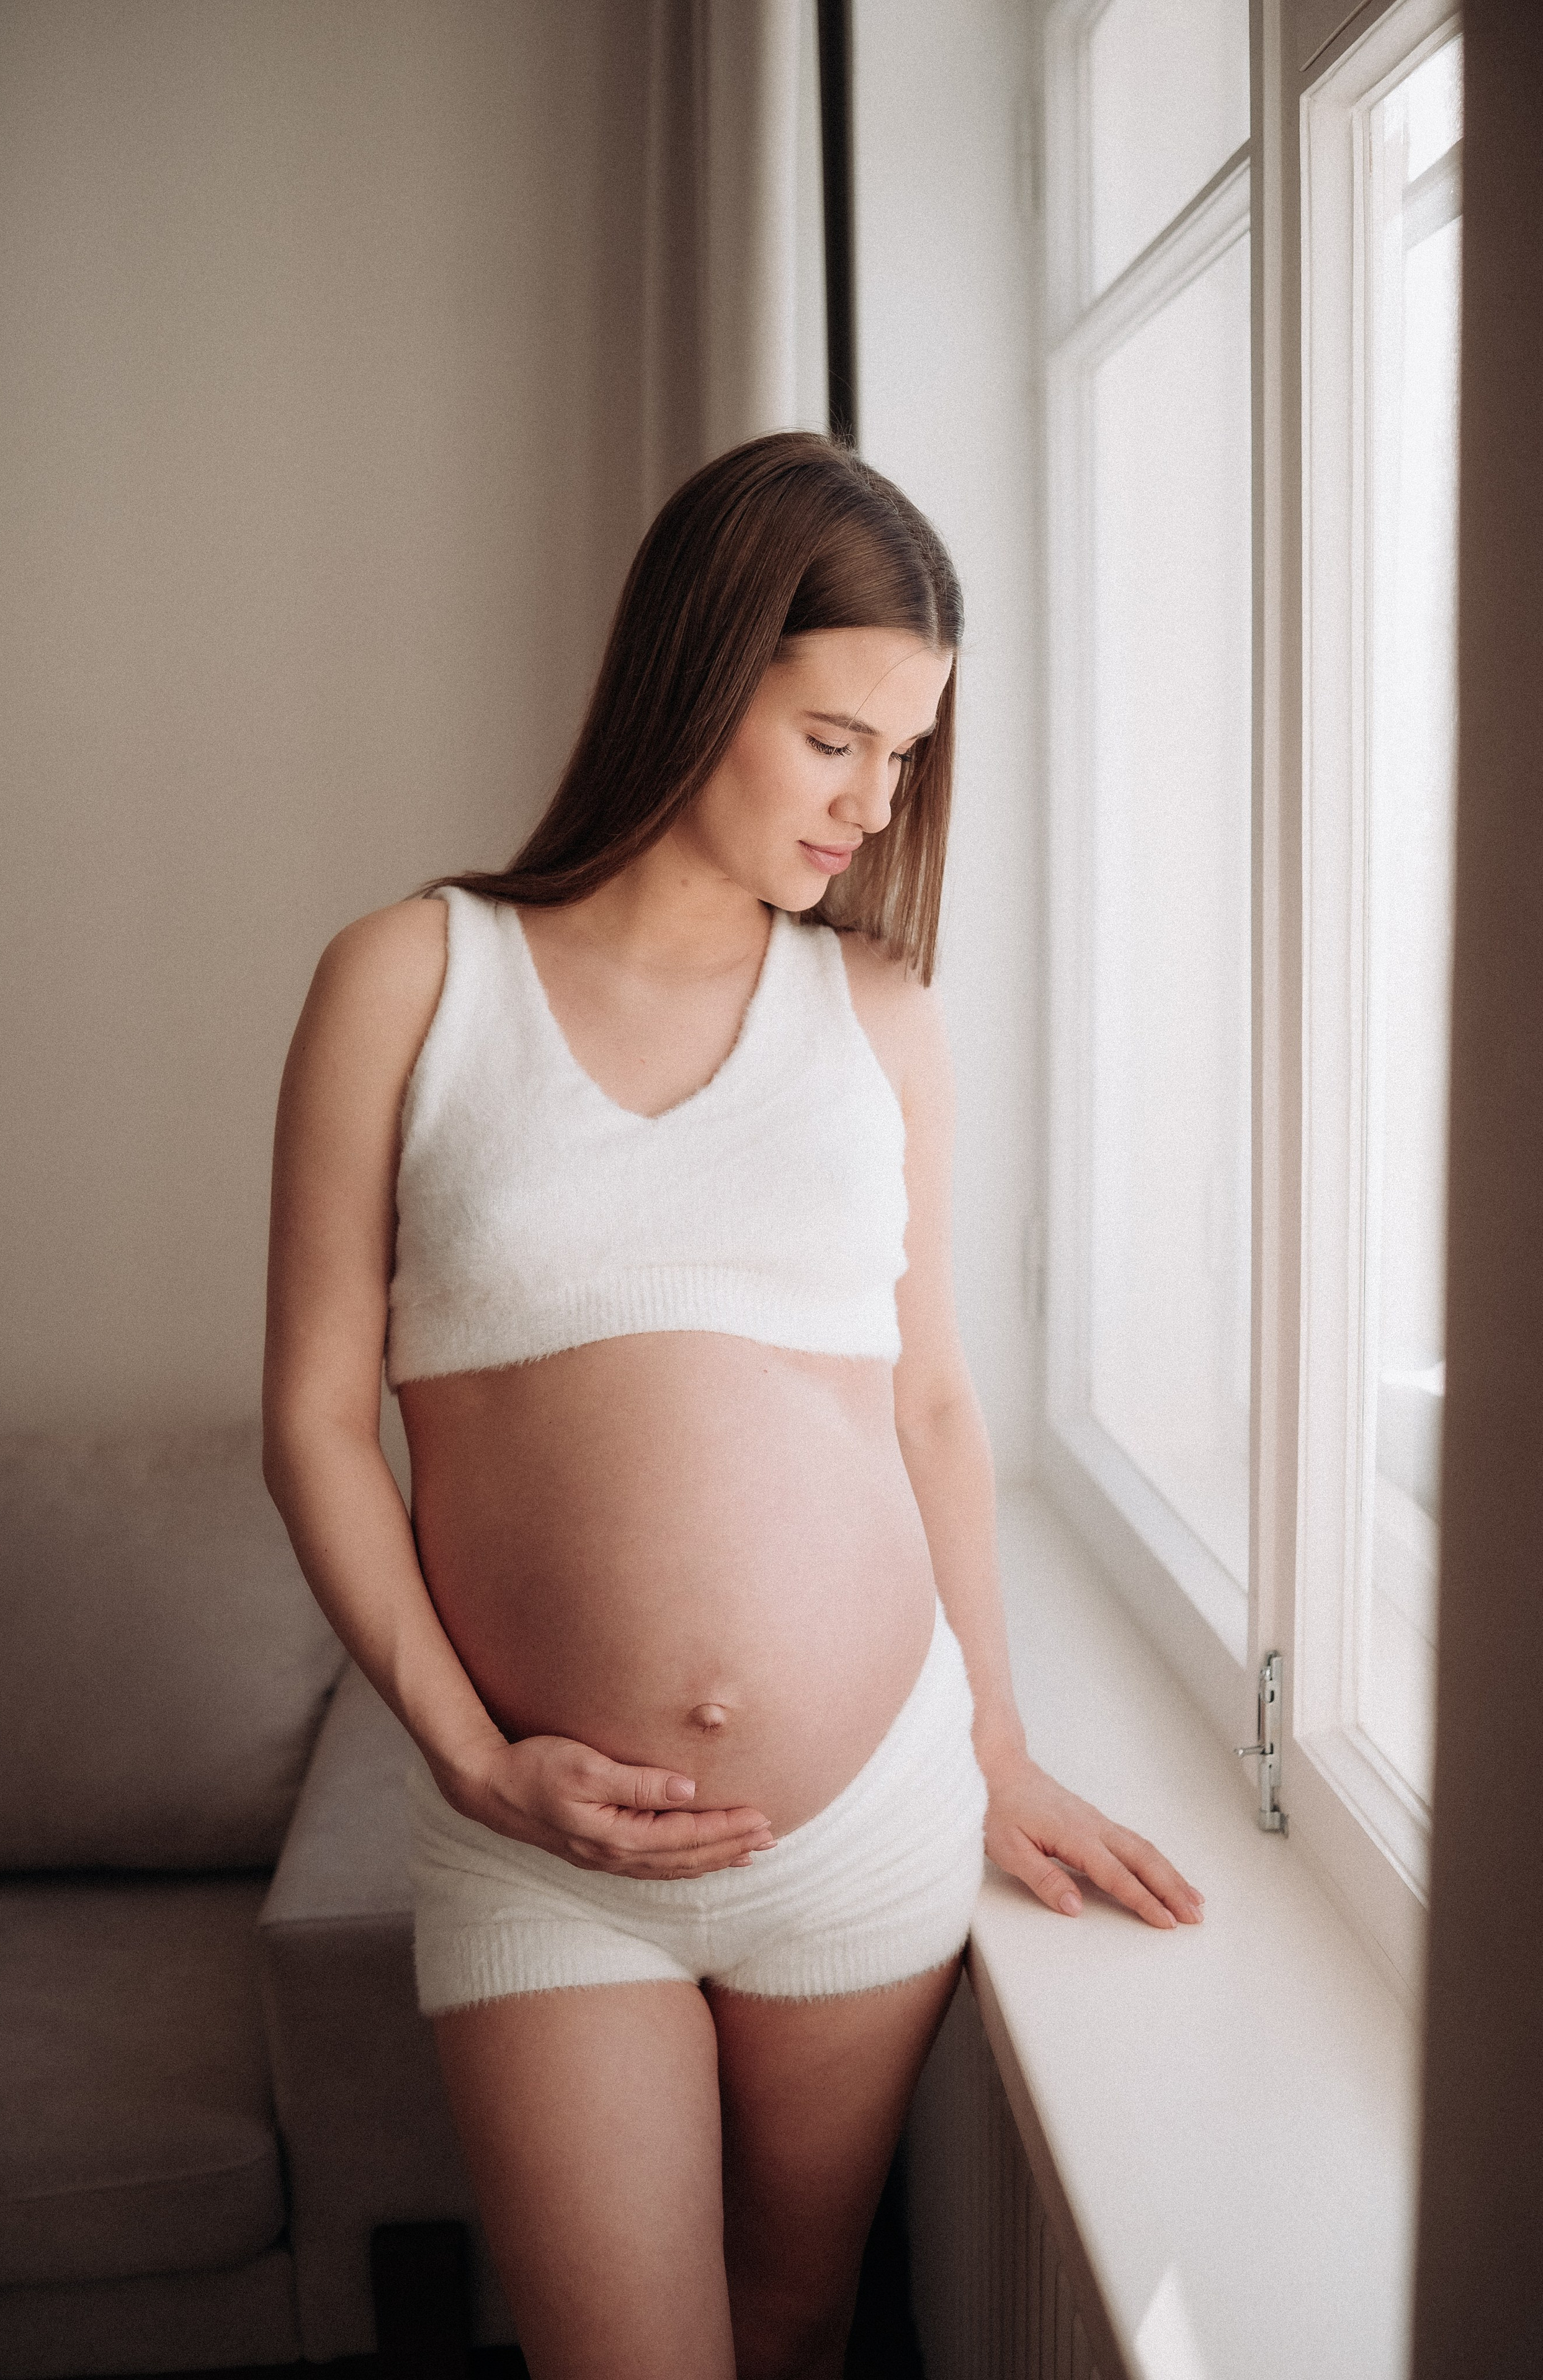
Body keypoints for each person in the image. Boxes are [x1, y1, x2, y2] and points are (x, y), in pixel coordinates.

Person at [262, 432, 1202, 2380]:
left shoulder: (880, 1017)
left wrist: (1001, 1748)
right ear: (703, 674)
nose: (874, 802)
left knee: (795, 2328)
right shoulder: (412, 978)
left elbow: (934, 1407)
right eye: (835, 736)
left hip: (870, 1823)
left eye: (910, 756)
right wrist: (465, 1753)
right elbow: (312, 1422)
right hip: (542, 1841)